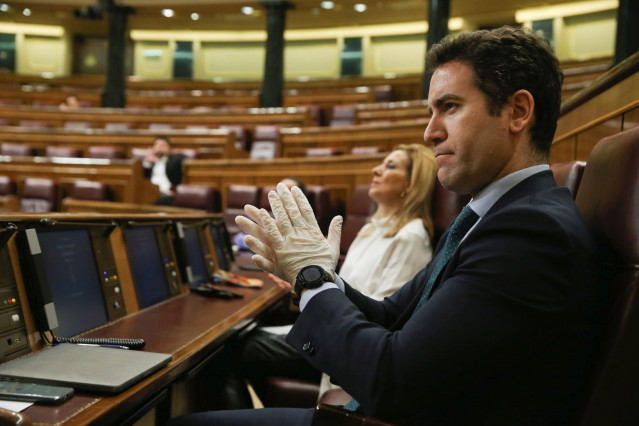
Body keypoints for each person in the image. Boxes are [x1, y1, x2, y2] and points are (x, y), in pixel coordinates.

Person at [170, 26, 603, 426]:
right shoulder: (495, 216)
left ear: (517, 111)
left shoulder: (529, 232)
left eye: (449, 107)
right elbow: (391, 315)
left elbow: (392, 381)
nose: (430, 131)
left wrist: (312, 279)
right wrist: (314, 275)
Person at [223, 145, 437, 409]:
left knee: (230, 349)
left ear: (411, 183)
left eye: (391, 166)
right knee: (237, 341)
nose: (376, 169)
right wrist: (301, 281)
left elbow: (387, 317)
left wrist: (312, 282)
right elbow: (345, 288)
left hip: (346, 339)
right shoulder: (371, 228)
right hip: (331, 323)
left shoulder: (410, 237)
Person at [233, 177, 307, 251]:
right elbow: (239, 238)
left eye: (287, 190)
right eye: (279, 189)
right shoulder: (269, 214)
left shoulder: (304, 221)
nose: (281, 193)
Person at [142, 135, 185, 205]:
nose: (159, 147)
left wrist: (162, 160)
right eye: (157, 144)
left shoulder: (175, 159)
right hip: (150, 191)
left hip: (167, 192)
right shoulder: (150, 162)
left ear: (169, 148)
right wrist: (148, 162)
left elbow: (180, 165)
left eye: (163, 145)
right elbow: (144, 177)